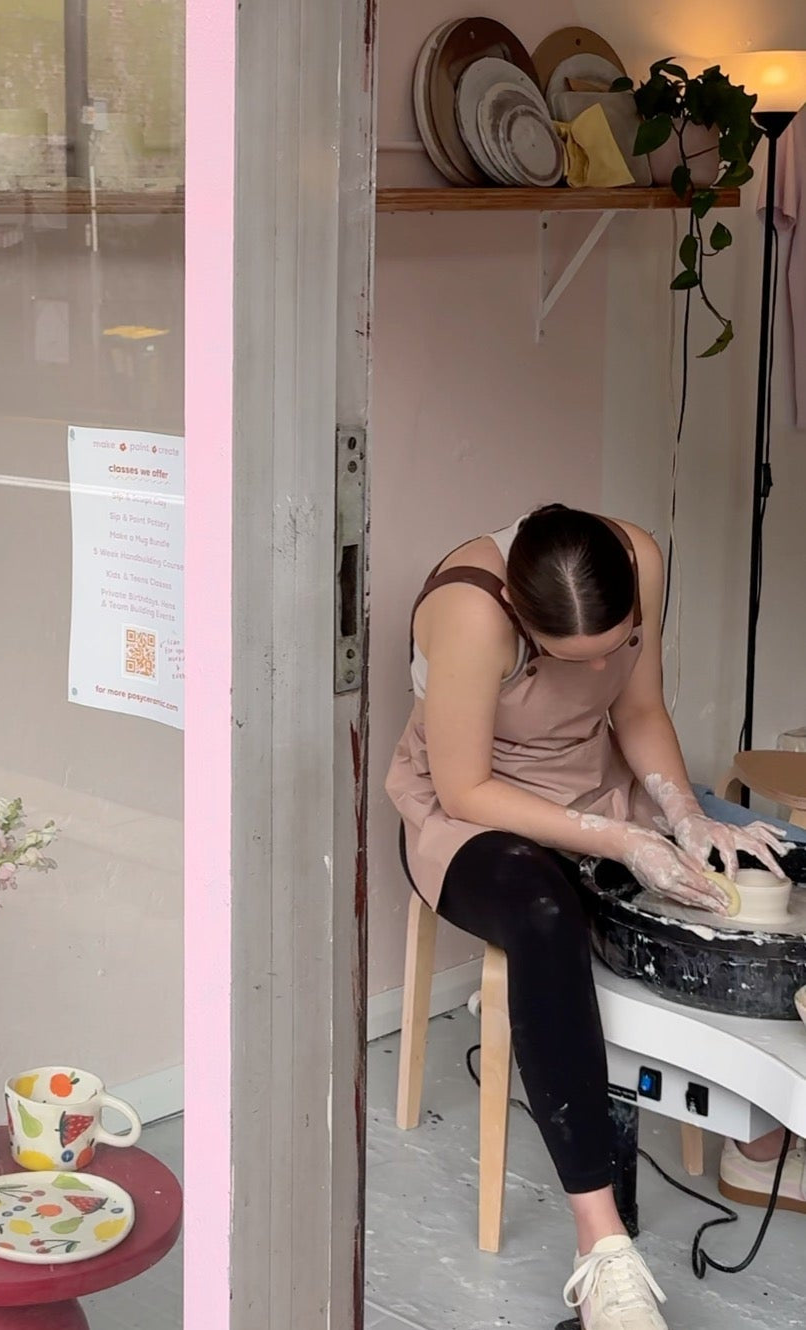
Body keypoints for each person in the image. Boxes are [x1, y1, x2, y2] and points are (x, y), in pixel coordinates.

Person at [385, 505, 794, 1330]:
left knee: (757, 861)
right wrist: (621, 841)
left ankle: (759, 1141)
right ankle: (602, 1248)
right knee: (545, 918)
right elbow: (464, 789)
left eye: (616, 647)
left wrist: (681, 819)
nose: (605, 665)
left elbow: (637, 715)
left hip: (598, 788)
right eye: (580, 660)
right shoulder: (470, 610)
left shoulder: (638, 556)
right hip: (472, 820)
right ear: (523, 624)